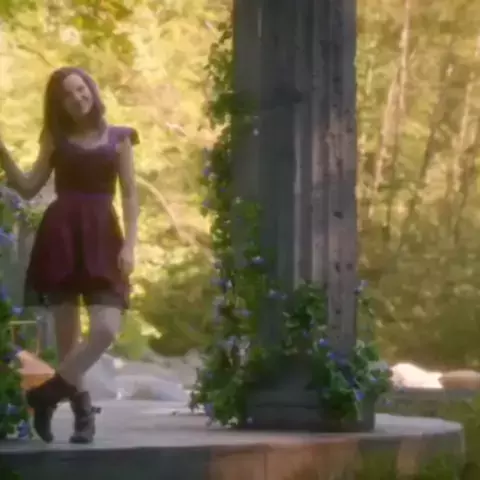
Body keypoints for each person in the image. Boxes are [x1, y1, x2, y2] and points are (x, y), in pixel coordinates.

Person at [0, 66, 139, 444]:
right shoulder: (55, 139)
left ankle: (45, 396)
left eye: (81, 89)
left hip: (104, 237)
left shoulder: (119, 138)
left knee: (106, 328)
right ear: (58, 104)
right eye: (67, 95)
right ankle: (82, 416)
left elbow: (129, 194)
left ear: (91, 89)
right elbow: (28, 187)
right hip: (61, 235)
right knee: (67, 340)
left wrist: (130, 244)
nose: (77, 98)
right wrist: (3, 152)